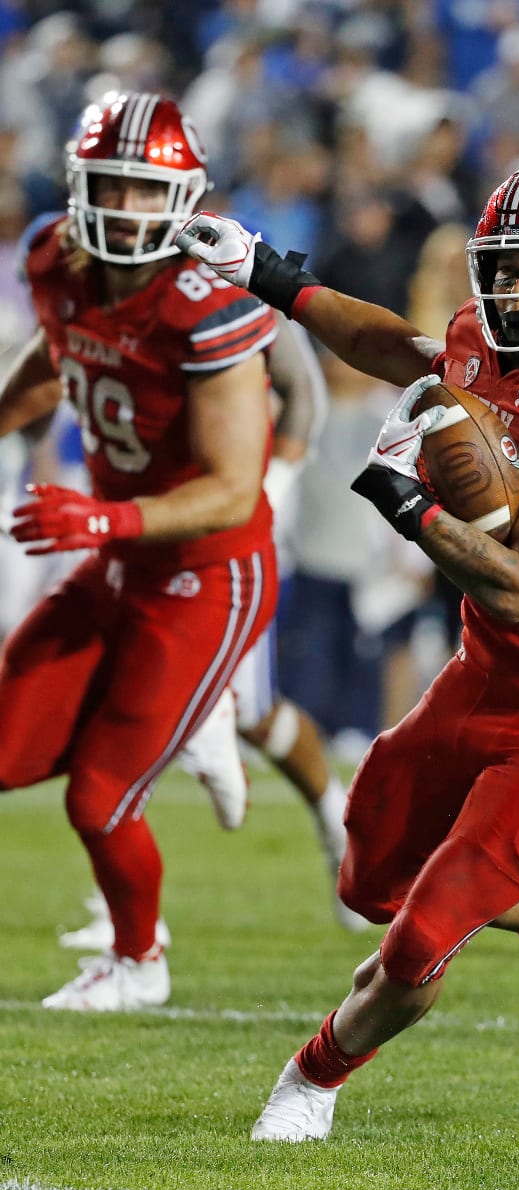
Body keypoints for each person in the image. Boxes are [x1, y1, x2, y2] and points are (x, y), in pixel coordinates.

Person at [176, 156, 519, 1142]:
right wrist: (270, 275)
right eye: (508, 266)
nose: (514, 290)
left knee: (419, 941)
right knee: (368, 884)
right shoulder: (478, 340)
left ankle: (310, 1080)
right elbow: (404, 346)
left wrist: (406, 501)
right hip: (482, 678)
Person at [0, 92, 279, 1010]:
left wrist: (102, 521)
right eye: (110, 186)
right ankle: (187, 717)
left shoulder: (205, 303)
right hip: (119, 561)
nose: (124, 207)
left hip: (208, 572)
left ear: (186, 198)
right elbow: (59, 352)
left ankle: (138, 962)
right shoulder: (56, 256)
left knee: (100, 796)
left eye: (144, 190)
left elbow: (233, 490)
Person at [57, 311, 367, 948]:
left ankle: (336, 822)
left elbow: (302, 390)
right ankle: (122, 902)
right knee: (121, 690)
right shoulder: (105, 286)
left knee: (249, 709)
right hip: (148, 516)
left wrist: (274, 482)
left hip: (231, 521)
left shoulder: (224, 279)